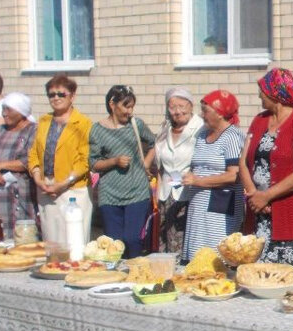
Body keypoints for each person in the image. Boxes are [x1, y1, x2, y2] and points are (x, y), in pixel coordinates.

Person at [239, 68, 293, 266]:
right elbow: (243, 162)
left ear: (276, 94)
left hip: (289, 212)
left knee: (287, 279)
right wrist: (254, 196)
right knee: (257, 275)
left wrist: (266, 196)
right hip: (258, 212)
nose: (259, 95)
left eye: (263, 91)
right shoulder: (259, 120)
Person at [90, 85, 156, 259]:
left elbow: (155, 143)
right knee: (114, 243)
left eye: (132, 106)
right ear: (112, 104)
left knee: (132, 238)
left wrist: (145, 163)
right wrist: (114, 161)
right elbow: (93, 163)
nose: (130, 111)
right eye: (126, 106)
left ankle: (135, 276)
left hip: (137, 191)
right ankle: (116, 280)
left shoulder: (136, 124)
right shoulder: (97, 130)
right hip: (110, 194)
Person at [29, 74, 92, 247]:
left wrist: (64, 183)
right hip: (46, 187)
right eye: (51, 94)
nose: (56, 98)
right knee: (52, 242)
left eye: (61, 94)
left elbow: (84, 160)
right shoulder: (43, 121)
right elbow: (34, 152)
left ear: (72, 96)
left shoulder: (83, 123)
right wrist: (36, 177)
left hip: (72, 189)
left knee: (73, 242)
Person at [180, 90, 244, 261]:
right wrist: (190, 176)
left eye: (205, 111)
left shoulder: (232, 136)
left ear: (220, 113)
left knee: (216, 255)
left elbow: (234, 175)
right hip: (198, 206)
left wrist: (199, 181)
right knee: (197, 254)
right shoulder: (202, 135)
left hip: (221, 207)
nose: (201, 115)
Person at [154, 87, 204, 255]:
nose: (177, 111)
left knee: (183, 240)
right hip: (167, 193)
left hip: (189, 192)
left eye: (182, 106)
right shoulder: (165, 128)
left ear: (191, 106)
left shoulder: (201, 128)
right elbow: (158, 163)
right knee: (166, 237)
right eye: (172, 107)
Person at [0, 93, 37, 239]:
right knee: (1, 234)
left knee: (24, 235)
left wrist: (0, 165)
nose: (4, 113)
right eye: (3, 109)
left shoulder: (33, 130)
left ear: (22, 111)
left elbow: (29, 160)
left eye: (9, 109)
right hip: (0, 193)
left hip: (23, 193)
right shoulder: (0, 130)